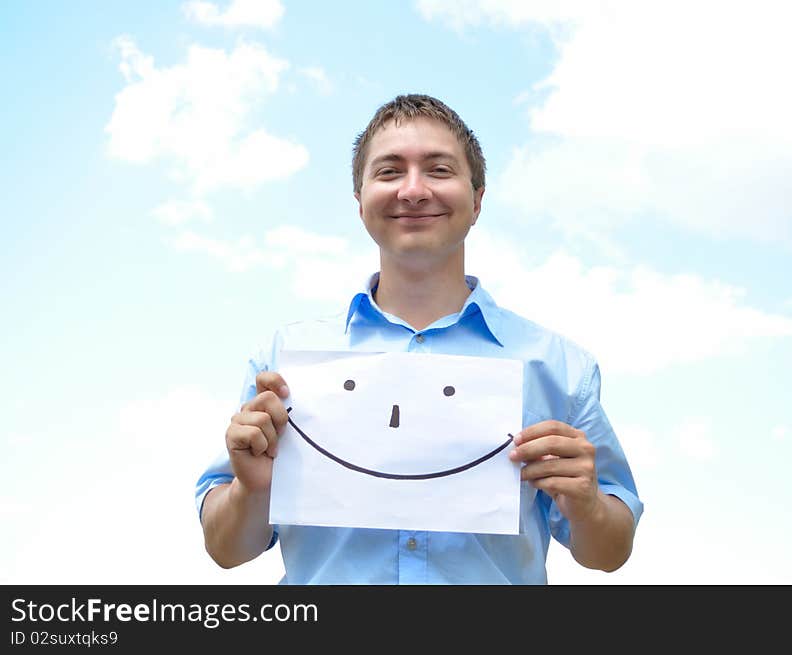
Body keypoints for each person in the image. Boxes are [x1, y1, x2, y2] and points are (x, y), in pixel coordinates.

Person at [195, 94, 642, 584]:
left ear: (477, 200)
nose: (413, 190)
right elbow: (225, 550)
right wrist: (251, 491)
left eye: (439, 170)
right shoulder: (283, 361)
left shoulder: (559, 366)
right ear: (360, 202)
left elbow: (609, 551)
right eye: (388, 172)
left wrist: (588, 506)